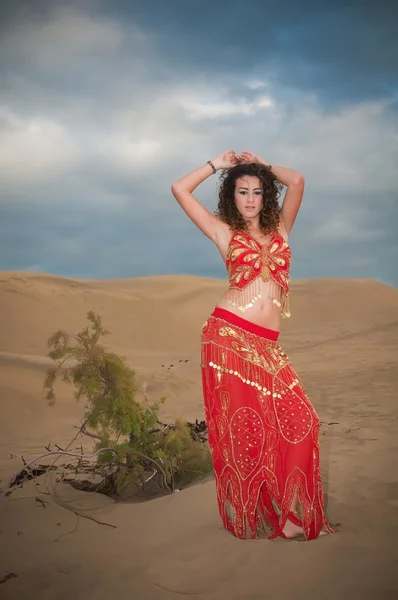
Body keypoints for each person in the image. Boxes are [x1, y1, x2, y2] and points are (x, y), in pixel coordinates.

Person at [171, 150, 334, 541]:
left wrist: (262, 163)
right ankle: (287, 519)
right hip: (227, 337)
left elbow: (296, 181)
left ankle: (291, 514)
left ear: (265, 197)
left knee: (303, 421)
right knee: (252, 431)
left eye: (257, 191)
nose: (249, 198)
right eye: (242, 191)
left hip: (267, 345)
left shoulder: (281, 228)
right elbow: (179, 188)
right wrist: (216, 165)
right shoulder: (223, 232)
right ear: (232, 195)